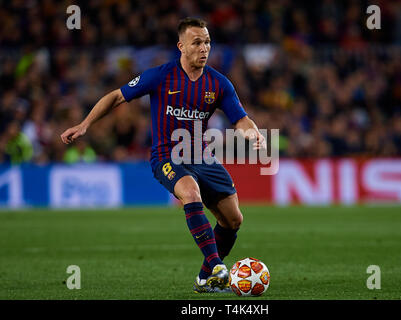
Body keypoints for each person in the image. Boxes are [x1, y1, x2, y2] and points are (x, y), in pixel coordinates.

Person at [60, 17, 266, 293]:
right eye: (197, 43)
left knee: (233, 219)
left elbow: (240, 118)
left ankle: (206, 278)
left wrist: (252, 132)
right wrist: (85, 124)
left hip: (201, 156)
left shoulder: (219, 84)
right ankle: (217, 265)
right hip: (166, 156)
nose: (204, 48)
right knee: (190, 194)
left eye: (207, 42)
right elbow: (116, 97)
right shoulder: (160, 76)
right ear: (181, 46)